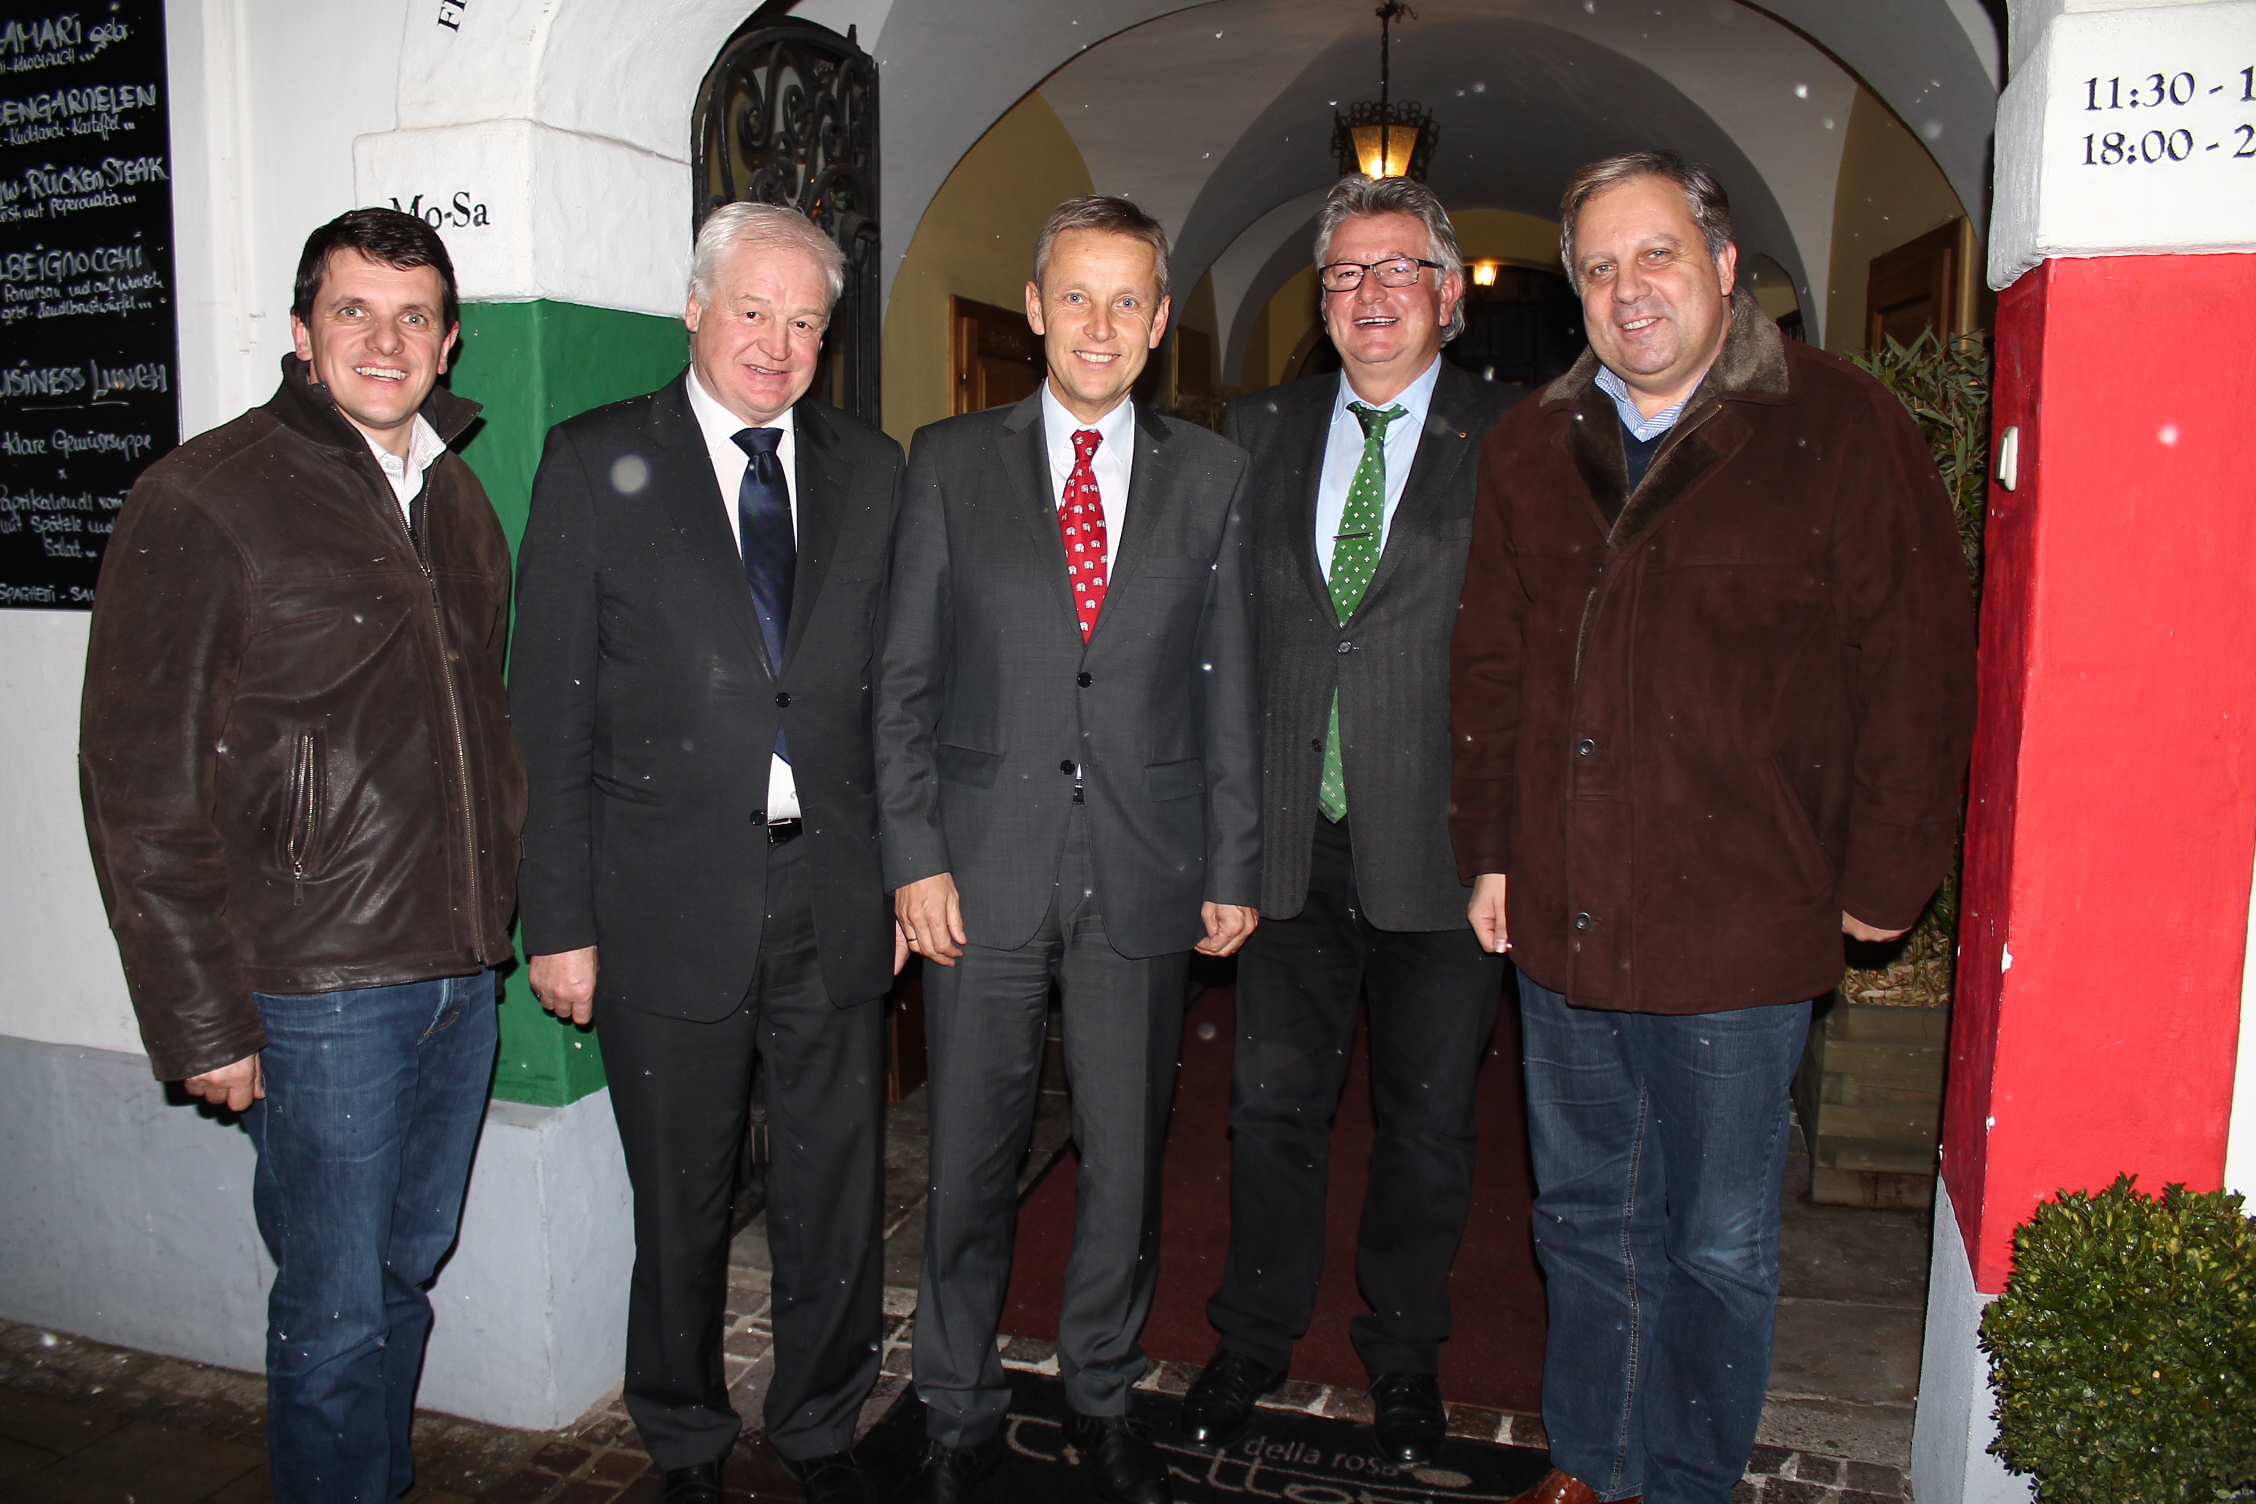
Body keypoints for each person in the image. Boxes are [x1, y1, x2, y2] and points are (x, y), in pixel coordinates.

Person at [1451, 151, 1977, 1504]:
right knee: (1581, 1224)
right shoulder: (1527, 448)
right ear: (1577, 293)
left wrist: (1889, 874)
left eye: (1659, 253)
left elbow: (1913, 664)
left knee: (1717, 1244)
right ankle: (1589, 1462)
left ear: (1726, 265)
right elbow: (1493, 666)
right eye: (1602, 266)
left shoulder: (1840, 428)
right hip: (1566, 914)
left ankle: (1684, 1481)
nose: (1632, 288)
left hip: (1742, 923)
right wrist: (1492, 848)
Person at [78, 208, 524, 1502]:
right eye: (353, 311)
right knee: (334, 1307)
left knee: (402, 1277)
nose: (384, 340)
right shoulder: (206, 496)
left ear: (446, 343)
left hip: (455, 973)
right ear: (300, 331)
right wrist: (203, 1021)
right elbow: (138, 783)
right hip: (317, 986)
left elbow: (476, 729)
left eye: (413, 316)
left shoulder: (455, 500)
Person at [510, 202, 906, 1504]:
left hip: (835, 889)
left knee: (835, 1192)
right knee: (679, 1198)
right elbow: (550, 712)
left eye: (804, 322)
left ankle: (818, 1423)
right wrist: (557, 923)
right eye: (753, 310)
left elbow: (899, 699)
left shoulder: (870, 469)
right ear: (694, 308)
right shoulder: (593, 461)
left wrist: (908, 874)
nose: (777, 344)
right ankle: (682, 1433)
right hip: (660, 901)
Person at [878, 195, 1261, 1504]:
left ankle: (1102, 1392)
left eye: (1127, 302)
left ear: (1158, 326)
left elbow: (1235, 687)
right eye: (1076, 296)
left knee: (1124, 1154)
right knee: (971, 1153)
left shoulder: (1212, 477)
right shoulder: (947, 460)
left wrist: (1234, 860)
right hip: (978, 868)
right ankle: (954, 1398)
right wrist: (912, 853)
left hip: (1147, 864)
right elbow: (904, 682)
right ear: (1035, 308)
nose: (1099, 325)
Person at [1180, 174, 1520, 1466]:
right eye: (1343, 277)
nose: (1369, 296)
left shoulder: (1517, 434)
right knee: (1270, 1115)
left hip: (1442, 853)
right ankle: (1252, 1338)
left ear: (1446, 294)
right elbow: (1217, 646)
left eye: (1395, 272)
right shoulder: (1253, 431)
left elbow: (1536, 655)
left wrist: (1513, 844)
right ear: (1322, 307)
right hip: (1285, 850)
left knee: (1429, 1130)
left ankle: (1405, 1355)